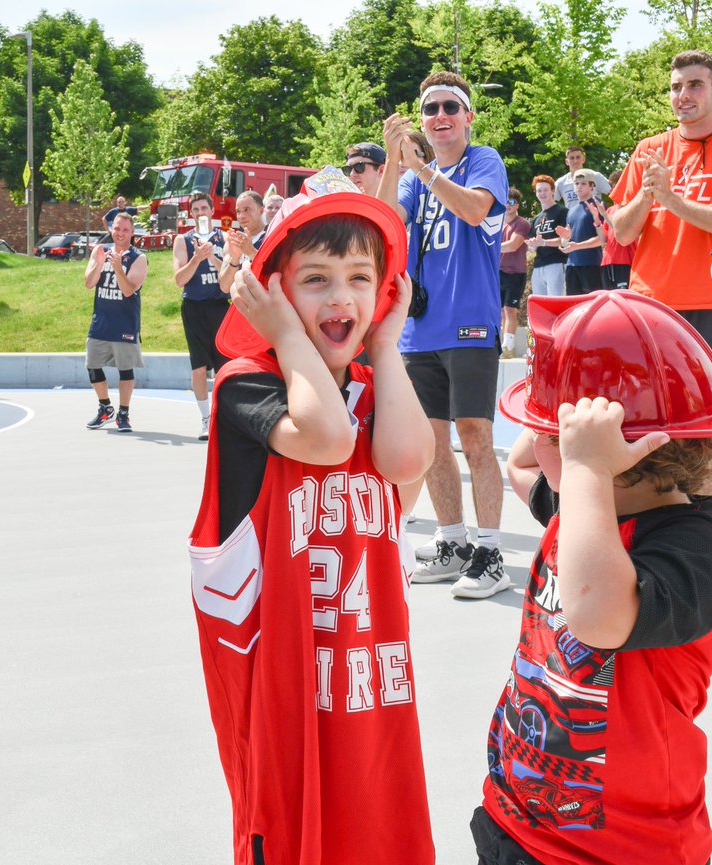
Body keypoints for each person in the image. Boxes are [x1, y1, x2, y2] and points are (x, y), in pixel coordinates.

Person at [481, 289, 712, 865]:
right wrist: (566, 386)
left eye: (549, 431)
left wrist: (578, 460)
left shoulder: (698, 546)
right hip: (515, 821)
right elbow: (523, 463)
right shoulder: (577, 502)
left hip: (624, 849)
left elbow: (597, 614)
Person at [189, 167, 435, 865]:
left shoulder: (370, 385)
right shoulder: (247, 387)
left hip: (369, 683)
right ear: (273, 294)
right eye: (316, 278)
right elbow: (325, 440)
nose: (342, 296)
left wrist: (386, 348)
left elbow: (409, 460)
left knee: (381, 835)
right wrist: (286, 339)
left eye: (362, 278)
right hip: (285, 698)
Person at [612, 49, 712, 568]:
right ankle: (654, 522)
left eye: (695, 85)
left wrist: (675, 202)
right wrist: (649, 195)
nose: (683, 96)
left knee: (710, 424)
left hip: (711, 303)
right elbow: (622, 230)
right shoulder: (649, 148)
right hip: (646, 305)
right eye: (677, 86)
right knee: (648, 421)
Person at [377, 70, 512, 599]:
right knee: (432, 444)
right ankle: (452, 541)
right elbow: (386, 221)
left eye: (449, 108)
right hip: (420, 328)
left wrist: (424, 172)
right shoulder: (412, 175)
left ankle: (491, 551)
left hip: (471, 321)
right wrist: (394, 162)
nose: (439, 117)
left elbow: (475, 208)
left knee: (475, 435)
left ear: (468, 117)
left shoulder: (484, 161)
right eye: (430, 109)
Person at [84, 212, 147, 433]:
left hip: (125, 323)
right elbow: (89, 284)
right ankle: (105, 407)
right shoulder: (100, 251)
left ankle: (123, 413)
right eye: (117, 229)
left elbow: (129, 290)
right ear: (111, 229)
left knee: (125, 370)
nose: (120, 234)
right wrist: (99, 264)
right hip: (101, 321)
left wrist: (118, 267)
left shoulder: (138, 258)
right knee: (92, 366)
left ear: (132, 232)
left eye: (125, 230)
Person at [173, 192, 228, 439]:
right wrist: (197, 257)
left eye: (204, 208)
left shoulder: (224, 237)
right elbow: (179, 279)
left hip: (219, 306)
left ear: (211, 210)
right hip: (194, 308)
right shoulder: (183, 240)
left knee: (223, 368)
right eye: (195, 209)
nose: (200, 213)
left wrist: (212, 256)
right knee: (198, 368)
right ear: (191, 213)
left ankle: (223, 416)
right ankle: (205, 418)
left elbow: (229, 277)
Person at [559, 168, 605, 295]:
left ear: (592, 186)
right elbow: (565, 241)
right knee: (573, 306)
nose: (579, 186)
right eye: (576, 183)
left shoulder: (599, 205)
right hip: (572, 265)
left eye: (583, 183)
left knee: (593, 304)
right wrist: (565, 240)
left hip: (592, 264)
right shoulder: (572, 210)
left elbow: (603, 238)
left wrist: (578, 246)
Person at [498, 187, 531, 357]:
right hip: (498, 272)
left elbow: (513, 245)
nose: (507, 205)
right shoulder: (497, 222)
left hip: (515, 273)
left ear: (517, 205)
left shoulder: (522, 224)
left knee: (510, 310)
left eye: (511, 202)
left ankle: (508, 348)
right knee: (500, 311)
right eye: (505, 201)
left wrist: (490, 249)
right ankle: (501, 345)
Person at [525, 175, 567, 297]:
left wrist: (543, 242)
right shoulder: (536, 219)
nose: (542, 193)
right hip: (538, 267)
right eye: (539, 190)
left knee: (557, 304)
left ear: (553, 191)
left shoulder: (562, 212)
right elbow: (533, 247)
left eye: (545, 190)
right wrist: (531, 245)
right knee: (540, 306)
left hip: (557, 263)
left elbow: (565, 240)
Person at [598, 168, 636, 290]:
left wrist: (604, 216)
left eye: (615, 187)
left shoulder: (630, 207)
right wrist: (597, 221)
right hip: (608, 262)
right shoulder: (610, 210)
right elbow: (603, 239)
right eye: (612, 187)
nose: (612, 190)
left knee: (624, 299)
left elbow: (621, 231)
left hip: (624, 261)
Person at [554, 145, 611, 211]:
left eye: (578, 157)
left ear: (583, 159)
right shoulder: (561, 182)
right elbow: (550, 200)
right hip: (572, 219)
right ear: (567, 162)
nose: (575, 161)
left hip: (594, 219)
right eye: (572, 158)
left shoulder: (595, 176)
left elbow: (614, 192)